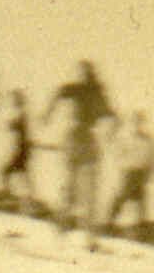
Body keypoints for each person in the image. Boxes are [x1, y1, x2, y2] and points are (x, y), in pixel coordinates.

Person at [41, 60, 115, 244]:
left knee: (77, 189)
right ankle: (75, 232)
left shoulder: (89, 91)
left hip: (81, 139)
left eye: (83, 72)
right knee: (78, 189)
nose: (81, 75)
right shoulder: (94, 92)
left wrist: (47, 113)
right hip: (81, 140)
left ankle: (71, 231)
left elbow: (112, 116)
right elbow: (113, 116)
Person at [106, 111, 154, 234]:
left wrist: (149, 173)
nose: (138, 125)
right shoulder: (127, 138)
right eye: (136, 122)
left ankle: (143, 230)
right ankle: (109, 224)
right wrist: (123, 166)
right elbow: (118, 152)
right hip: (129, 172)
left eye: (140, 122)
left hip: (141, 173)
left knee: (142, 202)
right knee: (121, 198)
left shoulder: (148, 140)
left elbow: (153, 158)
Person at [0, 90, 35, 213]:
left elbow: (13, 126)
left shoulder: (22, 115)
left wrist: (9, 124)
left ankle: (14, 200)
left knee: (6, 172)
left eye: (15, 100)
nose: (14, 102)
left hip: (21, 151)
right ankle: (26, 203)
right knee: (23, 178)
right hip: (22, 151)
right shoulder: (23, 115)